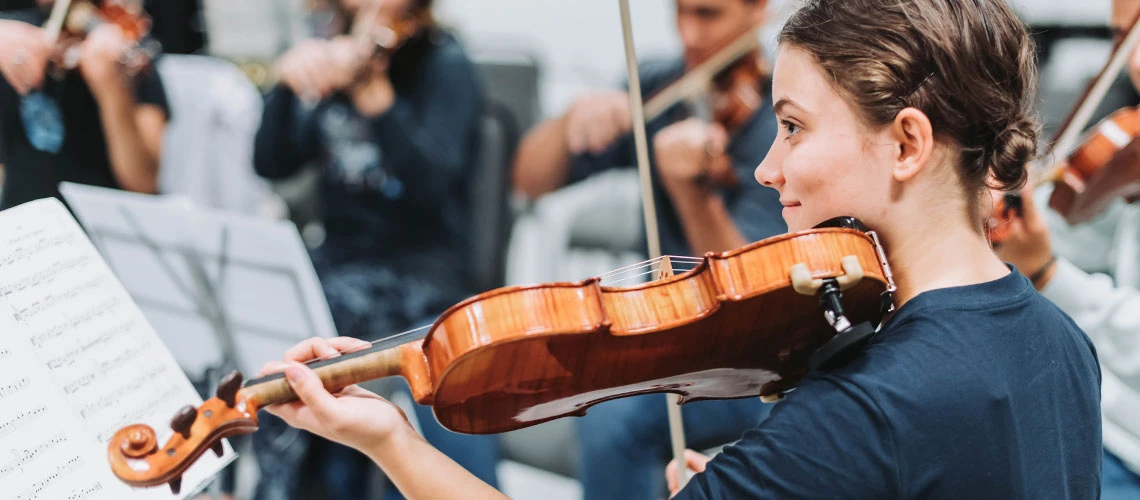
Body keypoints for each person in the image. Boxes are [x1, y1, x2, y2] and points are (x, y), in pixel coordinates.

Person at [256, 0, 1103, 498]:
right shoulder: (1061, 344)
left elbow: (872, 442)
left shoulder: (860, 410)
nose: (769, 167)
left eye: (795, 129)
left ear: (909, 143)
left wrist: (390, 441)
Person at [513, 1, 784, 496]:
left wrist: (690, 192)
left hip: (751, 359)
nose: (688, 34)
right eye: (679, 12)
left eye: (708, 14)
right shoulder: (662, 84)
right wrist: (573, 118)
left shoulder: (779, 112)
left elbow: (754, 290)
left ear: (758, 10)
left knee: (613, 419)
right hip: (662, 339)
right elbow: (528, 179)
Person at [248, 0, 498, 499]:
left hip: (422, 268)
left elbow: (430, 186)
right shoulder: (330, 46)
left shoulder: (442, 62)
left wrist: (373, 94)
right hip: (342, 258)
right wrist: (285, 85)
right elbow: (270, 161)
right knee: (261, 300)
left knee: (312, 321)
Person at [990, 3, 1140, 497]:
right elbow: (1078, 231)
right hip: (1104, 422)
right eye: (1123, 40)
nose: (1132, 62)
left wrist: (1049, 272)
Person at [0, 0, 169, 212]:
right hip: (25, 221)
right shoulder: (18, 32)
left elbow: (144, 183)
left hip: (104, 222)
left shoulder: (130, 44)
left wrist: (113, 90)